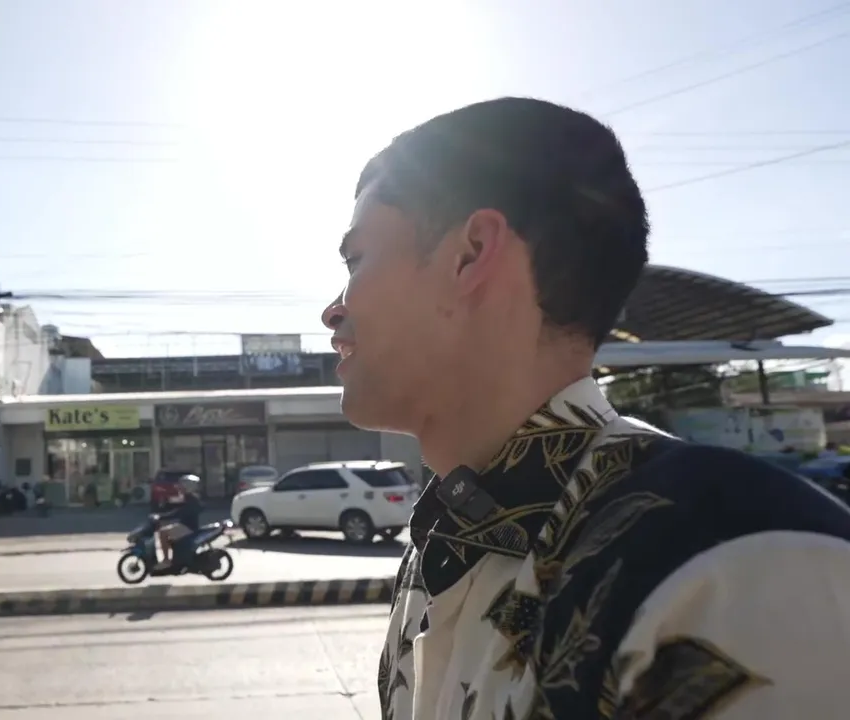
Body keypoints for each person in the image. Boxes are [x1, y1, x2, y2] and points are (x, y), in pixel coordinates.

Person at [321, 97, 850, 720]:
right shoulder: (435, 549)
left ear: (470, 253)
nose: (333, 310)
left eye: (356, 259)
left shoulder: (739, 561)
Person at [153, 474, 202, 570]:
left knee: (163, 532)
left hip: (188, 527)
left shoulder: (191, 499)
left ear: (188, 487)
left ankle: (166, 561)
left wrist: (161, 517)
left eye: (182, 485)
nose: (180, 487)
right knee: (166, 529)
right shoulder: (188, 497)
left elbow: (179, 512)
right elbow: (176, 507)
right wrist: (163, 510)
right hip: (185, 525)